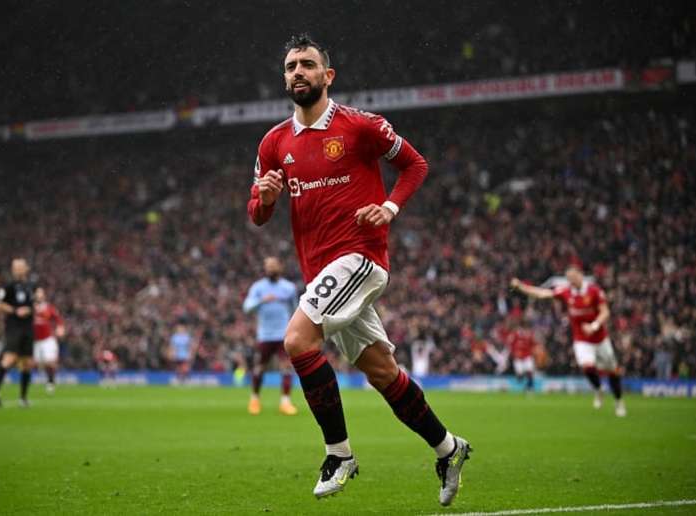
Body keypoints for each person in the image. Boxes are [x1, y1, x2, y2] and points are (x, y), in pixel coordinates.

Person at [247, 34, 471, 506]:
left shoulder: (361, 127)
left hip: (361, 257)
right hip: (321, 271)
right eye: (290, 67)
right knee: (382, 372)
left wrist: (389, 207)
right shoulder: (273, 143)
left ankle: (339, 454)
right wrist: (265, 199)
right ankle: (449, 448)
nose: (298, 73)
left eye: (307, 64)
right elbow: (257, 213)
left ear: (328, 76)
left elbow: (414, 165)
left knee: (296, 340)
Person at [510, 264, 627, 416]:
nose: (571, 280)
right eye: (568, 278)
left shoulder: (594, 291)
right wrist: (521, 286)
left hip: (600, 338)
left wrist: (594, 325)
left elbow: (605, 312)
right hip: (581, 339)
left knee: (613, 371)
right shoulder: (566, 292)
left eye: (573, 277)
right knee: (587, 366)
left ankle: (618, 402)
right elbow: (542, 293)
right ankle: (598, 390)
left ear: (580, 275)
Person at [242, 256, 299, 416]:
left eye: (273, 266)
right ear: (264, 269)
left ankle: (285, 402)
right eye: (268, 266)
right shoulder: (258, 288)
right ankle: (254, 399)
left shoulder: (289, 288)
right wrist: (261, 301)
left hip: (283, 333)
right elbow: (247, 307)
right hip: (265, 335)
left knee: (286, 367)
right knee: (260, 367)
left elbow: (295, 309)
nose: (271, 269)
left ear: (280, 267)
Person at [0, 258, 35, 408]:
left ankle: (23, 398)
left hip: (28, 328)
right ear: (13, 270)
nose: (18, 269)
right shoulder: (8, 287)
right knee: (9, 358)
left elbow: (34, 305)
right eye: (15, 267)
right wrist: (15, 310)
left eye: (21, 267)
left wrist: (30, 310)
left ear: (26, 268)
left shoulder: (30, 286)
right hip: (14, 328)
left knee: (27, 363)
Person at [33, 287, 65, 393]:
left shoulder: (49, 307)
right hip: (35, 340)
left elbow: (58, 319)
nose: (39, 295)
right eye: (37, 293)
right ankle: (44, 379)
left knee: (50, 361)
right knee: (36, 362)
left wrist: (60, 328)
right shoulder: (30, 307)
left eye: (41, 293)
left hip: (47, 339)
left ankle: (50, 382)